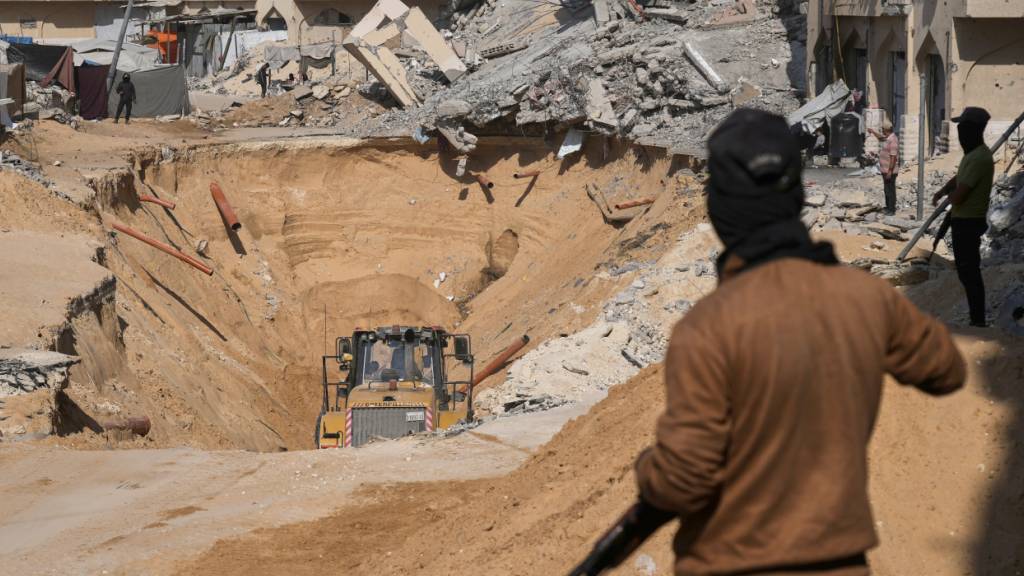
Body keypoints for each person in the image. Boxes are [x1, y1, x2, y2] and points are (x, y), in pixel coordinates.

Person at [633, 109, 966, 575]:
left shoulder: (708, 327)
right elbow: (944, 369)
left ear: (721, 209)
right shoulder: (866, 298)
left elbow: (682, 480)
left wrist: (650, 468)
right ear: (795, 196)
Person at [932, 106, 994, 327]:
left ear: (972, 131)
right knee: (965, 272)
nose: (959, 134)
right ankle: (975, 318)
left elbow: (959, 195)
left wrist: (949, 199)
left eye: (962, 129)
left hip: (969, 222)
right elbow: (959, 178)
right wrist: (942, 191)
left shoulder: (980, 158)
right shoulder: (972, 156)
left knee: (970, 273)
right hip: (961, 220)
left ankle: (978, 321)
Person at [868, 119, 899, 215]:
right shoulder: (888, 138)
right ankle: (887, 206)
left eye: (882, 129)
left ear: (886, 129)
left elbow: (893, 157)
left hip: (890, 171)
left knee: (890, 190)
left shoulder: (893, 140)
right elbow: (881, 138)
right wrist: (873, 132)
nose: (881, 130)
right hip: (884, 169)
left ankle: (891, 209)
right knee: (886, 189)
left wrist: (890, 171)